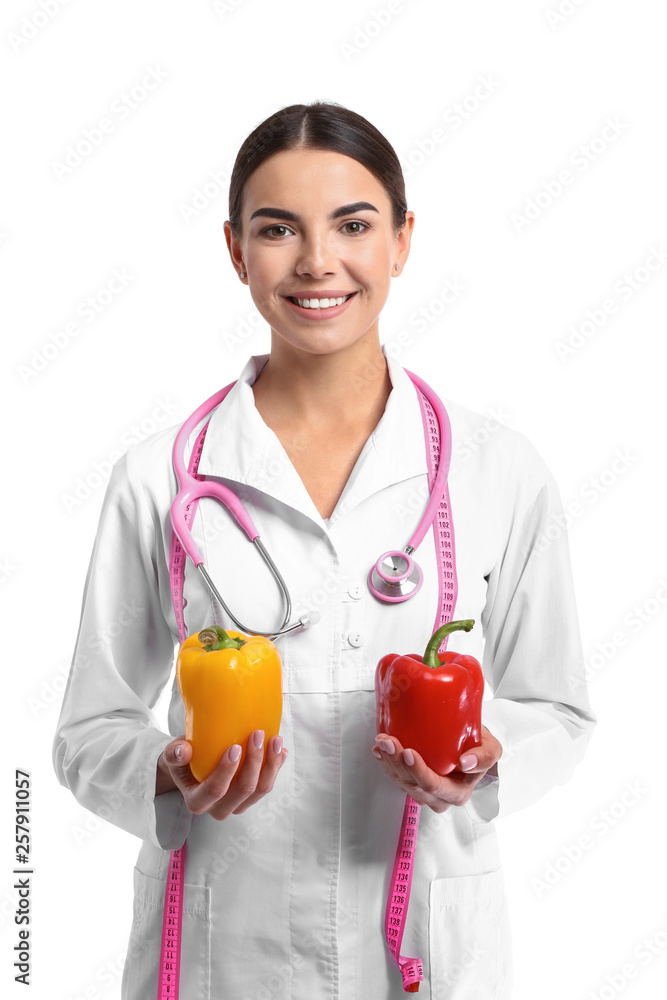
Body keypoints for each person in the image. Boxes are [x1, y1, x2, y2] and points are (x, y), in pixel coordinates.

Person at [52, 100, 596, 999]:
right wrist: (162, 773)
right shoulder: (158, 479)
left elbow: (559, 708)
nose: (316, 261)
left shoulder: (499, 469)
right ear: (235, 250)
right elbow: (86, 730)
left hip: (425, 944)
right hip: (227, 951)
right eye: (277, 229)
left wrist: (488, 757)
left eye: (353, 224)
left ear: (401, 241)